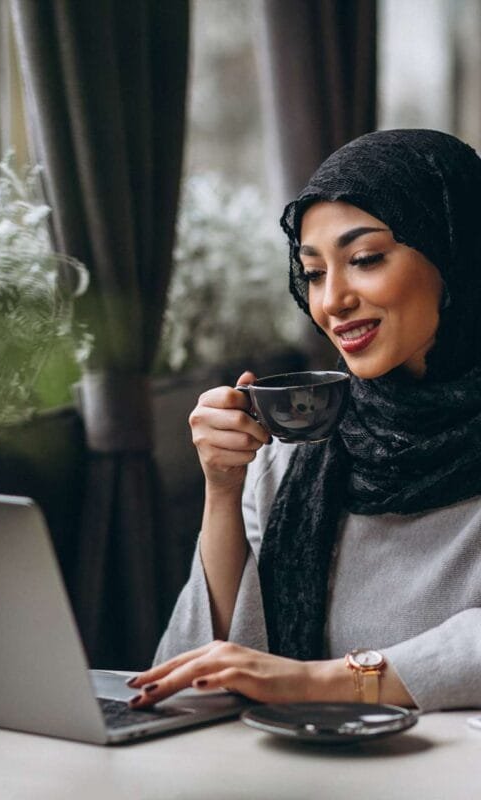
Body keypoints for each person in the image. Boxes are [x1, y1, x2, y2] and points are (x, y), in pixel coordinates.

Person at [127, 128, 481, 712]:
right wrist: (223, 487)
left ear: (457, 254)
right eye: (314, 273)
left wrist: (318, 682)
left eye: (364, 260)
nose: (331, 301)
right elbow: (204, 674)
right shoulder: (306, 442)